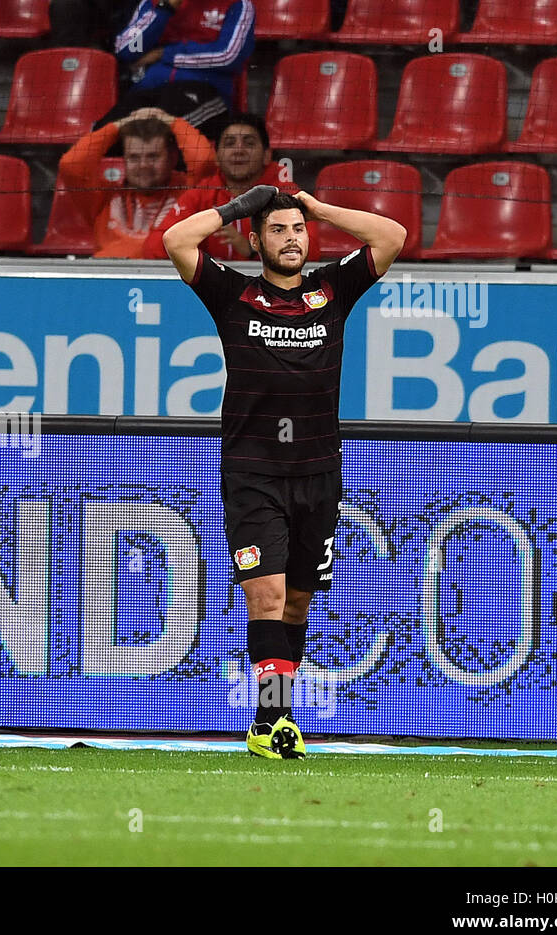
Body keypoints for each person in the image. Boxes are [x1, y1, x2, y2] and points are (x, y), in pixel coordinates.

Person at [162, 185, 406, 759]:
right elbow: (176, 240)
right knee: (266, 597)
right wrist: (239, 206)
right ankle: (269, 723)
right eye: (278, 229)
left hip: (319, 474)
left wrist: (319, 208)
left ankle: (279, 714)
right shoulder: (233, 295)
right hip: (254, 474)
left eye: (298, 229)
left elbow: (391, 235)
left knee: (296, 604)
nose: (292, 238)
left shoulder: (333, 290)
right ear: (256, 240)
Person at [143, 112, 318, 261]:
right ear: (217, 157)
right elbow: (153, 249)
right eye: (229, 143)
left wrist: (253, 251)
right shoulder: (201, 195)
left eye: (249, 143)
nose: (238, 150)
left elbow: (311, 252)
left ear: (266, 155)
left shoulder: (286, 194)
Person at [57, 106, 215, 258]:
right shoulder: (103, 197)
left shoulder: (189, 193)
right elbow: (71, 165)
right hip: (111, 278)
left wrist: (172, 122)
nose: (143, 165)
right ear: (124, 160)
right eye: (134, 157)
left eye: (153, 156)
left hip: (168, 278)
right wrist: (119, 125)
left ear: (172, 158)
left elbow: (204, 160)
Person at [104, 0, 255, 141]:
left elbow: (228, 56)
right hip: (149, 90)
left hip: (203, 93)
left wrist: (164, 54)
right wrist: (164, 9)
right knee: (104, 135)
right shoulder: (154, 3)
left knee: (156, 134)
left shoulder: (239, 4)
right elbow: (128, 49)